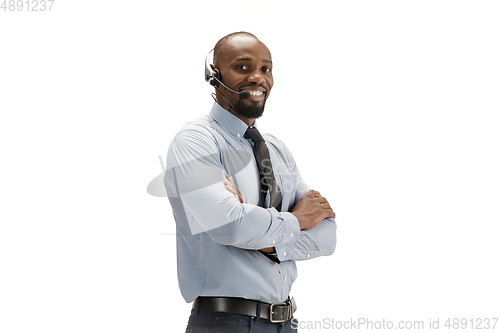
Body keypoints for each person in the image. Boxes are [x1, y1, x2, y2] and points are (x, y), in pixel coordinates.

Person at [164, 31, 337, 333]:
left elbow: (327, 236)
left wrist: (265, 240)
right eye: (242, 67)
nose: (258, 77)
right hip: (224, 323)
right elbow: (230, 226)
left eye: (266, 69)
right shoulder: (195, 142)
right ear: (213, 75)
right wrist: (297, 220)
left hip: (286, 323)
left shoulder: (276, 149)